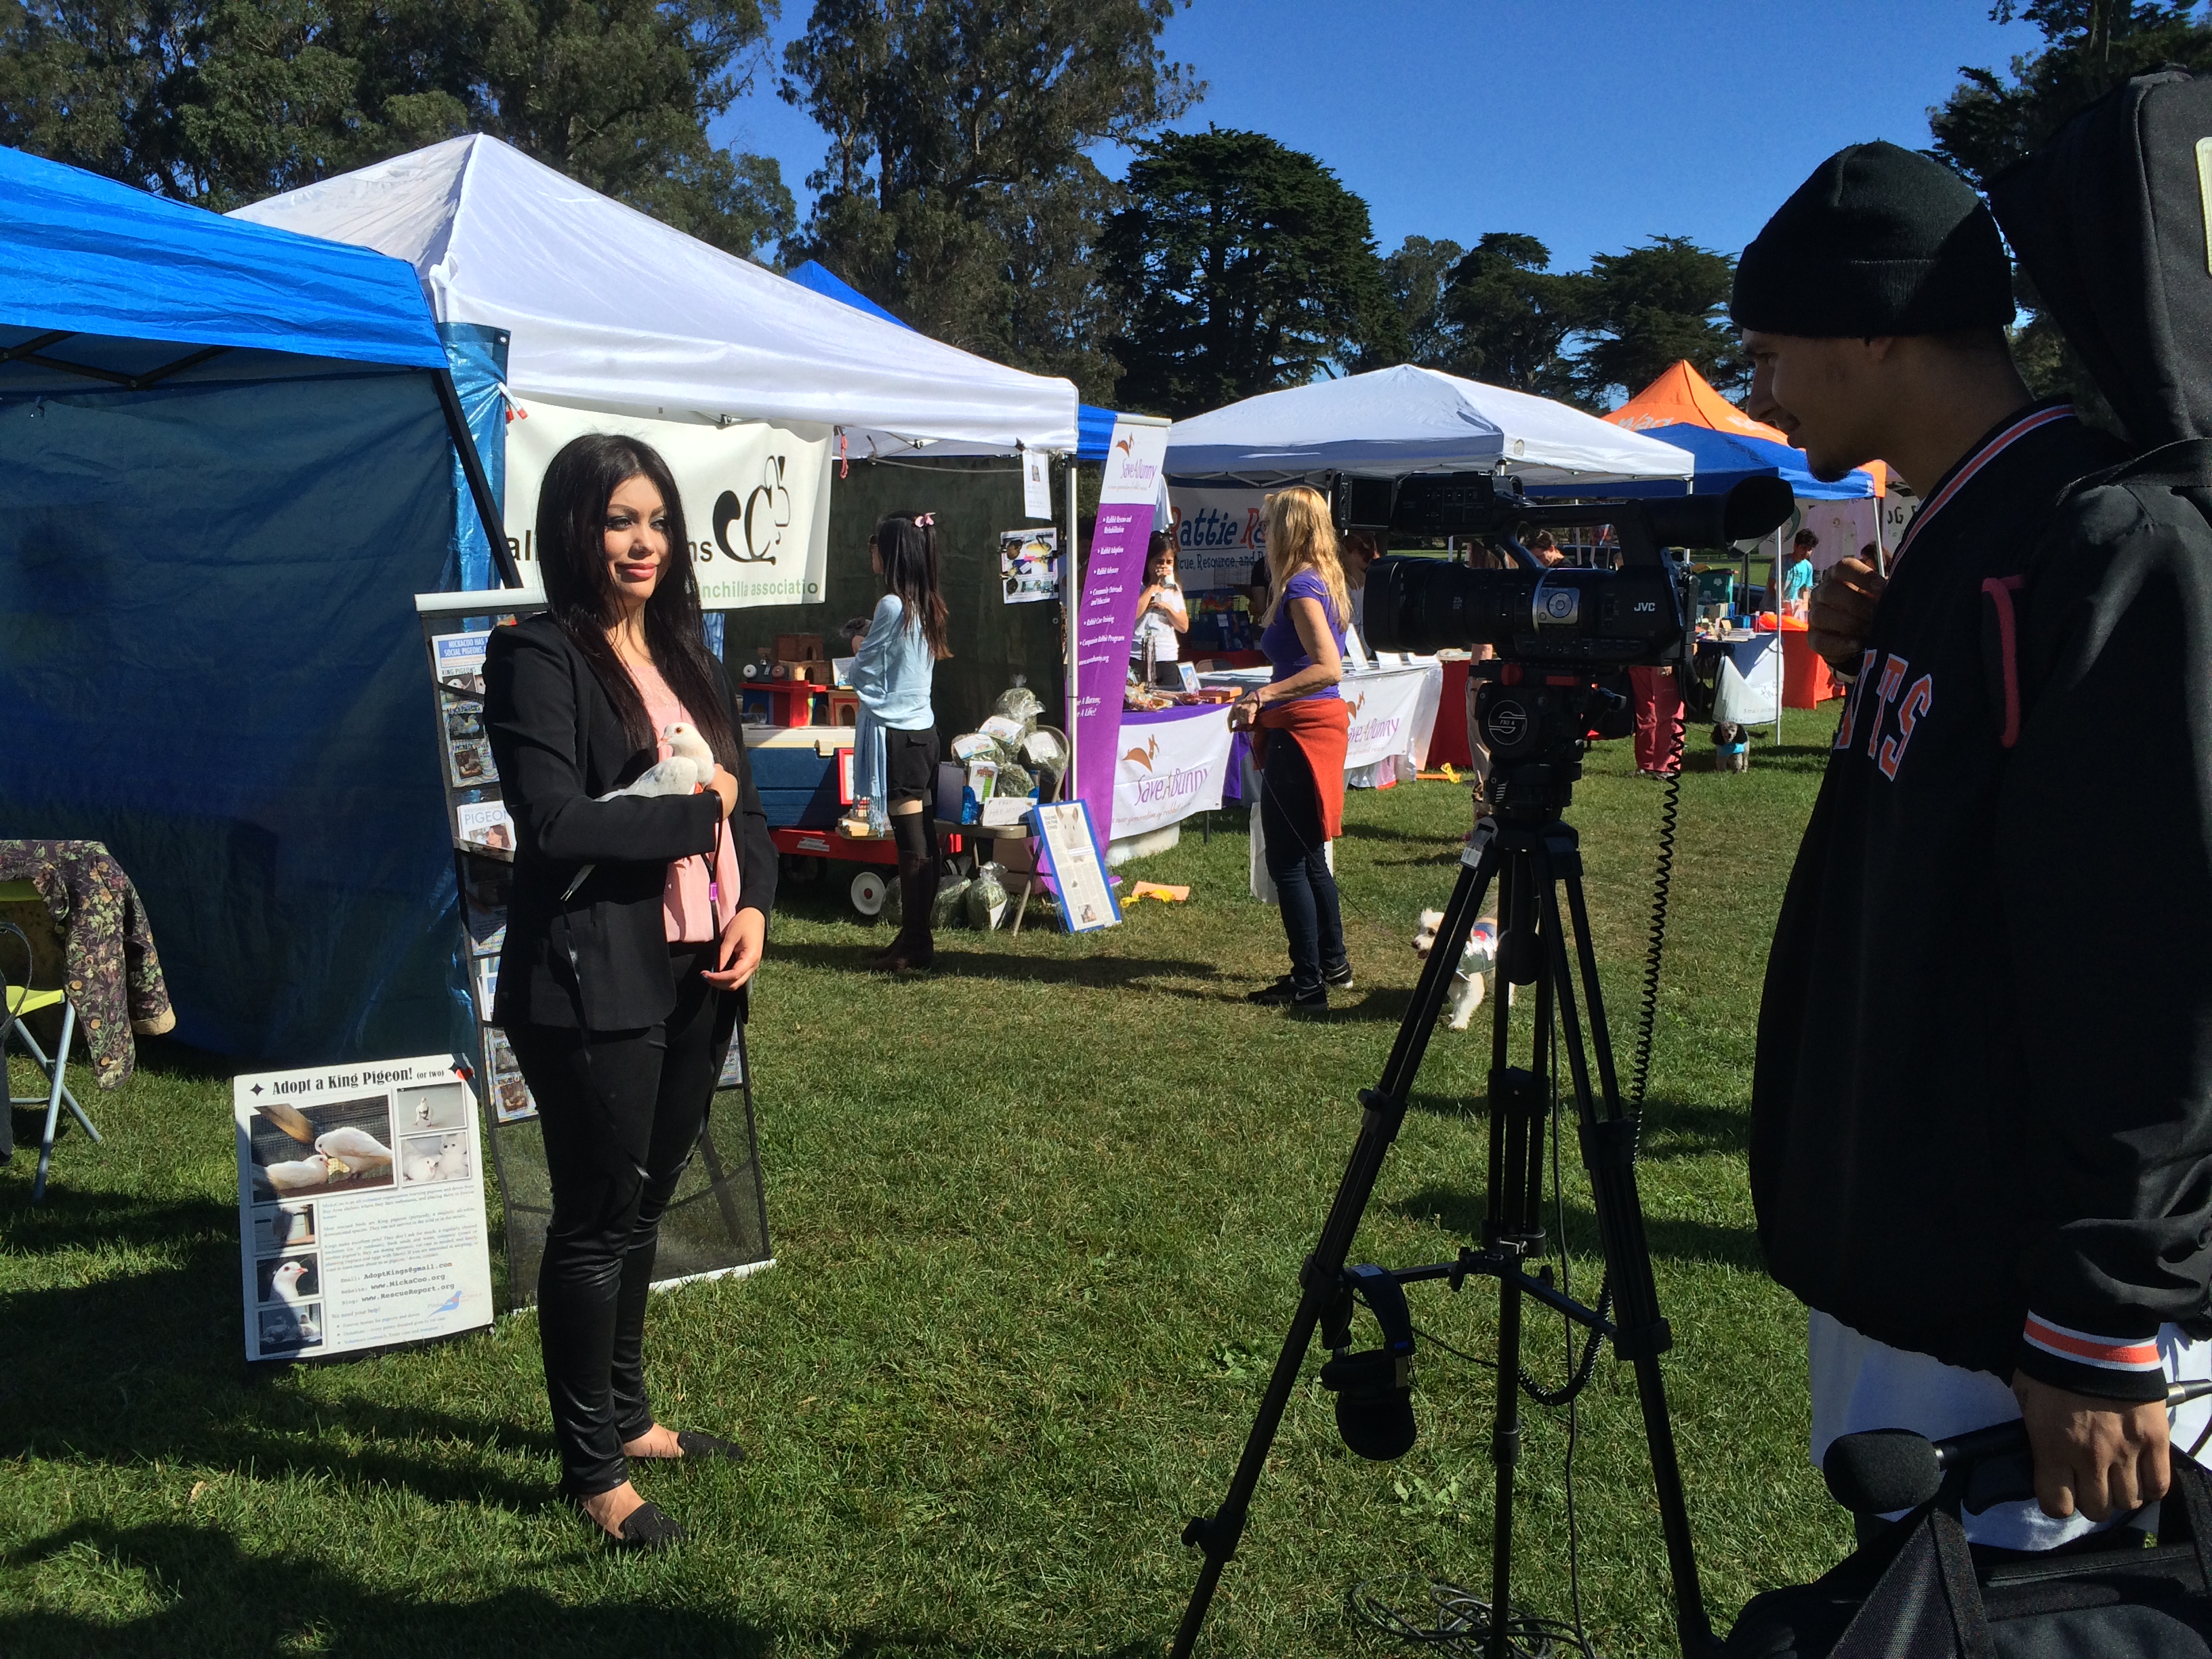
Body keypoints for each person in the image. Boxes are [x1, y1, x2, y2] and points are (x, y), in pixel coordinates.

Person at [1739, 140, 2212, 1551]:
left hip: (2032, 1326)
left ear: (1875, 325)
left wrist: (2100, 1315)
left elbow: (2155, 957)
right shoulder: (1955, 535)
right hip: (1925, 1273)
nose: (1760, 391)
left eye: (1769, 350)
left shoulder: (2109, 538)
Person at [483, 432, 775, 1550]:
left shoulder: (687, 651)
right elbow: (556, 825)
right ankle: (594, 1472)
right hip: (590, 976)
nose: (643, 542)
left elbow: (747, 806)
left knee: (644, 1204)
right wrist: (698, 813)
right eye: (619, 520)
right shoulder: (537, 655)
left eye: (656, 520)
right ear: (575, 527)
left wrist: (754, 904)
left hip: (701, 968)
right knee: (596, 1218)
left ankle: (630, 1414)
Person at [1231, 485, 1353, 1015]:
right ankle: (1332, 964)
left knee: (1288, 862)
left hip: (1302, 729)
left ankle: (1308, 984)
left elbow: (1328, 667)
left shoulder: (1302, 586)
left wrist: (1261, 696)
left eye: (1268, 524)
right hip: (1314, 725)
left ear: (1288, 529)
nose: (1262, 533)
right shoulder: (1323, 578)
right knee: (1308, 855)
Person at [851, 511, 950, 972]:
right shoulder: (927, 602)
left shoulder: (892, 606)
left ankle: (916, 945)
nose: (871, 549)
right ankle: (912, 937)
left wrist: (858, 643)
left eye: (876, 542)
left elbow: (863, 672)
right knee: (923, 840)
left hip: (897, 737)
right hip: (923, 734)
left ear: (892, 552)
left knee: (912, 847)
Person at [1130, 531, 1189, 682]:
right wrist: (1152, 585)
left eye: (1169, 562)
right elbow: (1131, 616)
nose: (1164, 567)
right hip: (1138, 655)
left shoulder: (1174, 589)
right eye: (1159, 562)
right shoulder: (1137, 586)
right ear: (1148, 562)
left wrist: (1166, 608)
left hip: (1167, 656)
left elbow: (1184, 626)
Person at [1343, 529, 1382, 636]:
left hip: (1355, 636)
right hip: (1362, 636)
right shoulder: (1367, 581)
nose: (1369, 560)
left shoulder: (1345, 583)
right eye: (1366, 555)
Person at [1779, 528, 1818, 621]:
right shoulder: (1782, 561)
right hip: (1773, 608)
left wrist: (1804, 612)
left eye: (1809, 550)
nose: (1806, 553)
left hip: (1793, 610)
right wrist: (1782, 601)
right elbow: (1774, 586)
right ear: (1795, 546)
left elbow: (1805, 591)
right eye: (1803, 548)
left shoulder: (1808, 567)